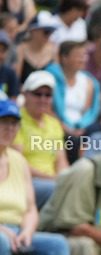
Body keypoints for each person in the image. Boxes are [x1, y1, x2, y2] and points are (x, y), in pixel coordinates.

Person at [0, 98, 87, 255]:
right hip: (3, 235)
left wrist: (27, 231)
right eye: (3, 122)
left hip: (17, 233)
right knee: (1, 242)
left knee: (57, 244)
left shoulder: (18, 161)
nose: (9, 129)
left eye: (14, 124)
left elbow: (30, 209)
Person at [13, 70, 68, 208]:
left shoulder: (54, 124)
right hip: (27, 180)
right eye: (38, 94)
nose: (43, 99)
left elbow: (61, 160)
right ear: (25, 94)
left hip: (53, 181)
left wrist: (65, 178)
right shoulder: (14, 122)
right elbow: (18, 163)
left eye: (48, 95)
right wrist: (55, 179)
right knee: (57, 190)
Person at [44, 39, 101, 160]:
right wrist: (66, 128)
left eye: (83, 56)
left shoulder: (89, 82)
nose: (82, 60)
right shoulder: (50, 77)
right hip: (57, 125)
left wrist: (80, 128)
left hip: (81, 130)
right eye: (77, 56)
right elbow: (47, 108)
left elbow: (87, 112)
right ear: (64, 58)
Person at [15, 16, 58, 84]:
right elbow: (16, 80)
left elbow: (57, 79)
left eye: (51, 32)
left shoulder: (53, 51)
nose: (49, 35)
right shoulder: (20, 50)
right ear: (33, 31)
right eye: (46, 32)